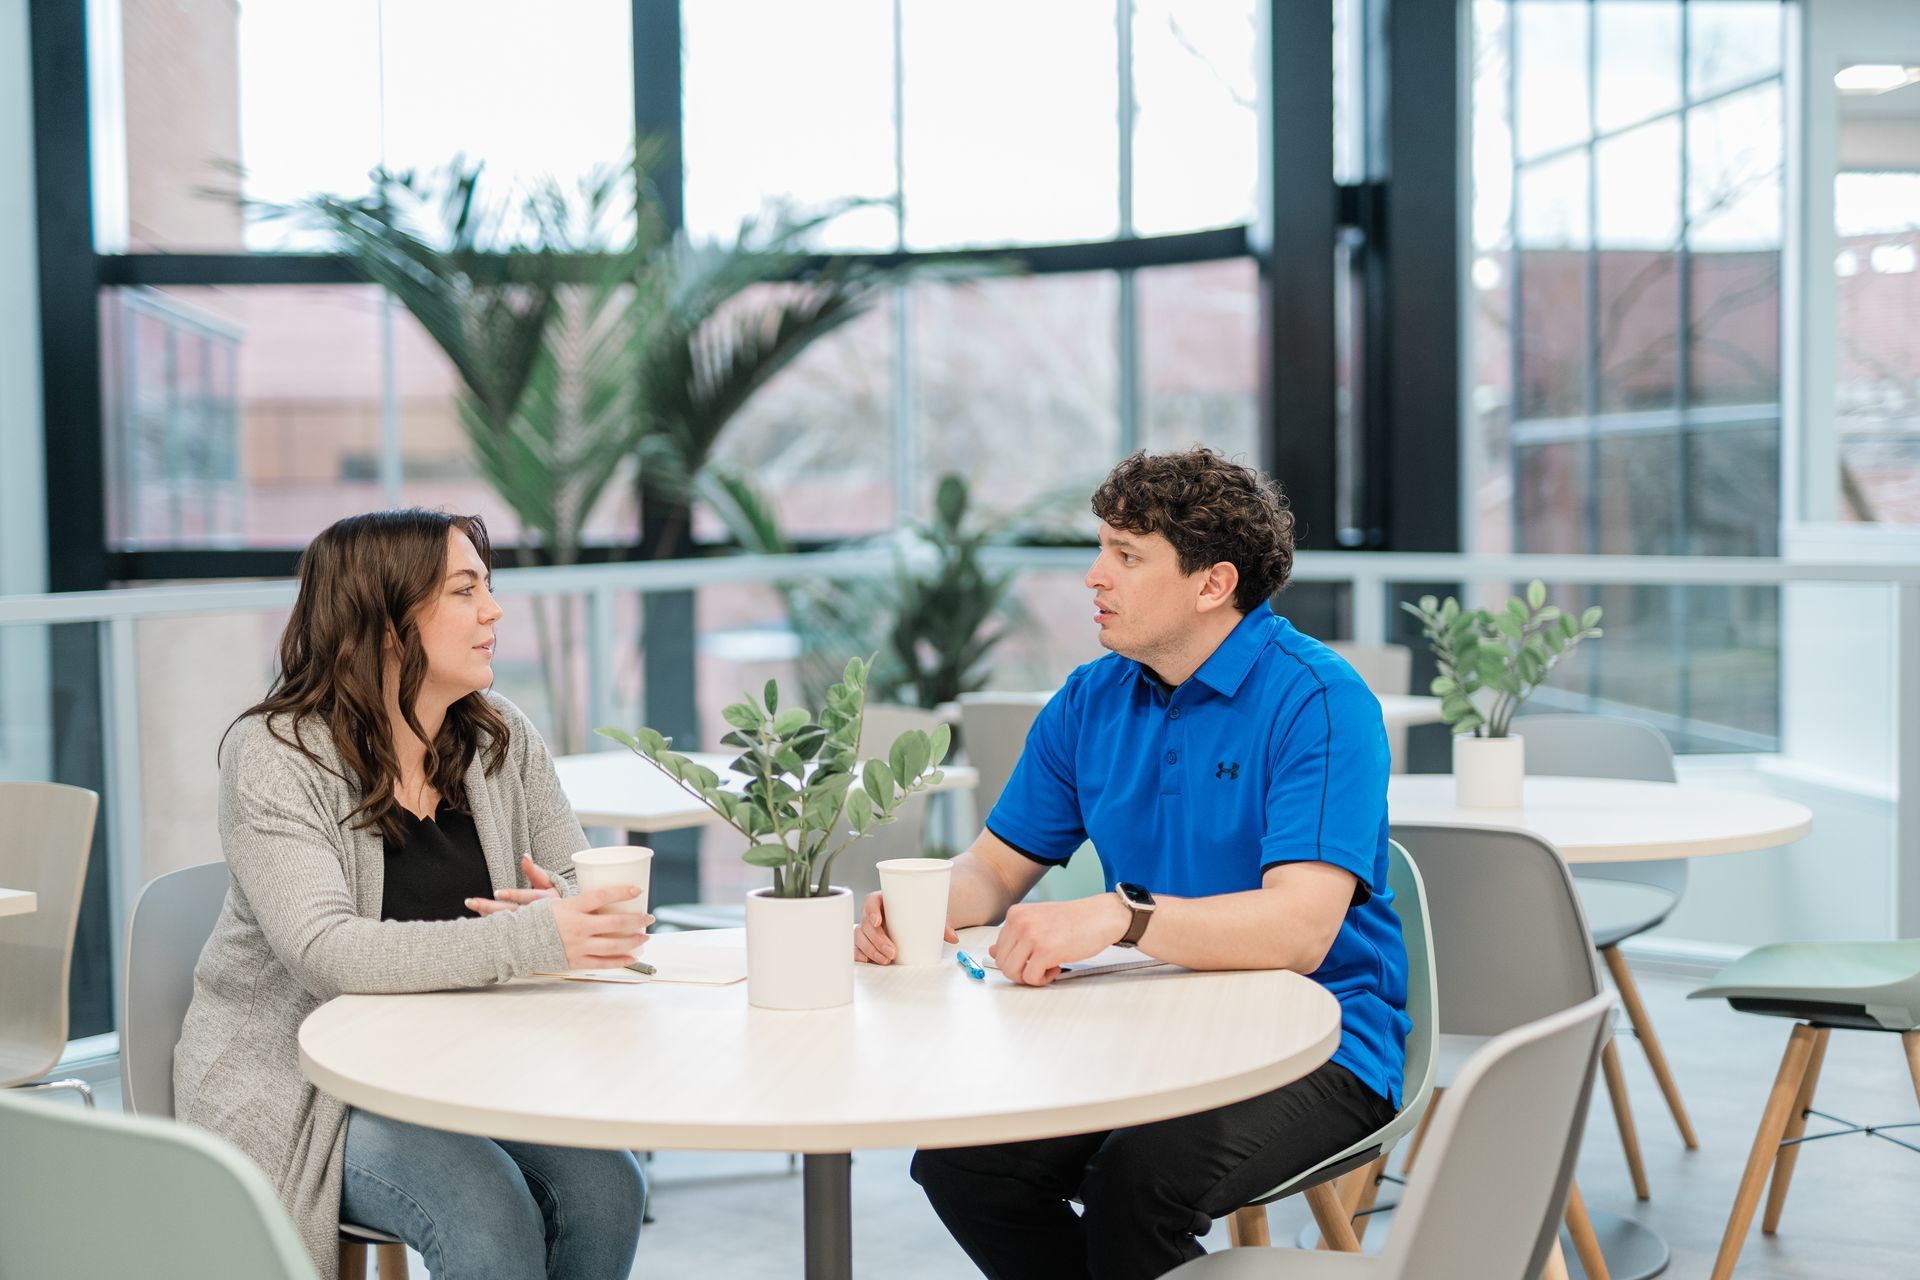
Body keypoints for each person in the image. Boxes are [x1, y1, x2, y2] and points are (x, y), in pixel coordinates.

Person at [855, 449, 1408, 1280]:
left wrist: (1123, 914)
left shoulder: (1320, 701)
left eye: (1127, 555)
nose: (1093, 576)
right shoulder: (1092, 697)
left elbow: (1299, 929)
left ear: (1212, 584)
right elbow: (995, 872)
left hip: (1321, 1037)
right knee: (965, 1161)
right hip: (1143, 1021)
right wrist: (921, 905)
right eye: (1101, 547)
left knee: (1140, 1184)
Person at [174, 509, 650, 1280]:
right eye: (465, 591)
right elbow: (325, 952)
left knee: (607, 1187)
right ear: (387, 624)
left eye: (487, 586)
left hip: (454, 1063)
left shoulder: (500, 737)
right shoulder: (276, 754)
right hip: (307, 1086)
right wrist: (530, 939)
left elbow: (574, 877)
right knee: (486, 1212)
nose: (494, 610)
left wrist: (553, 910)